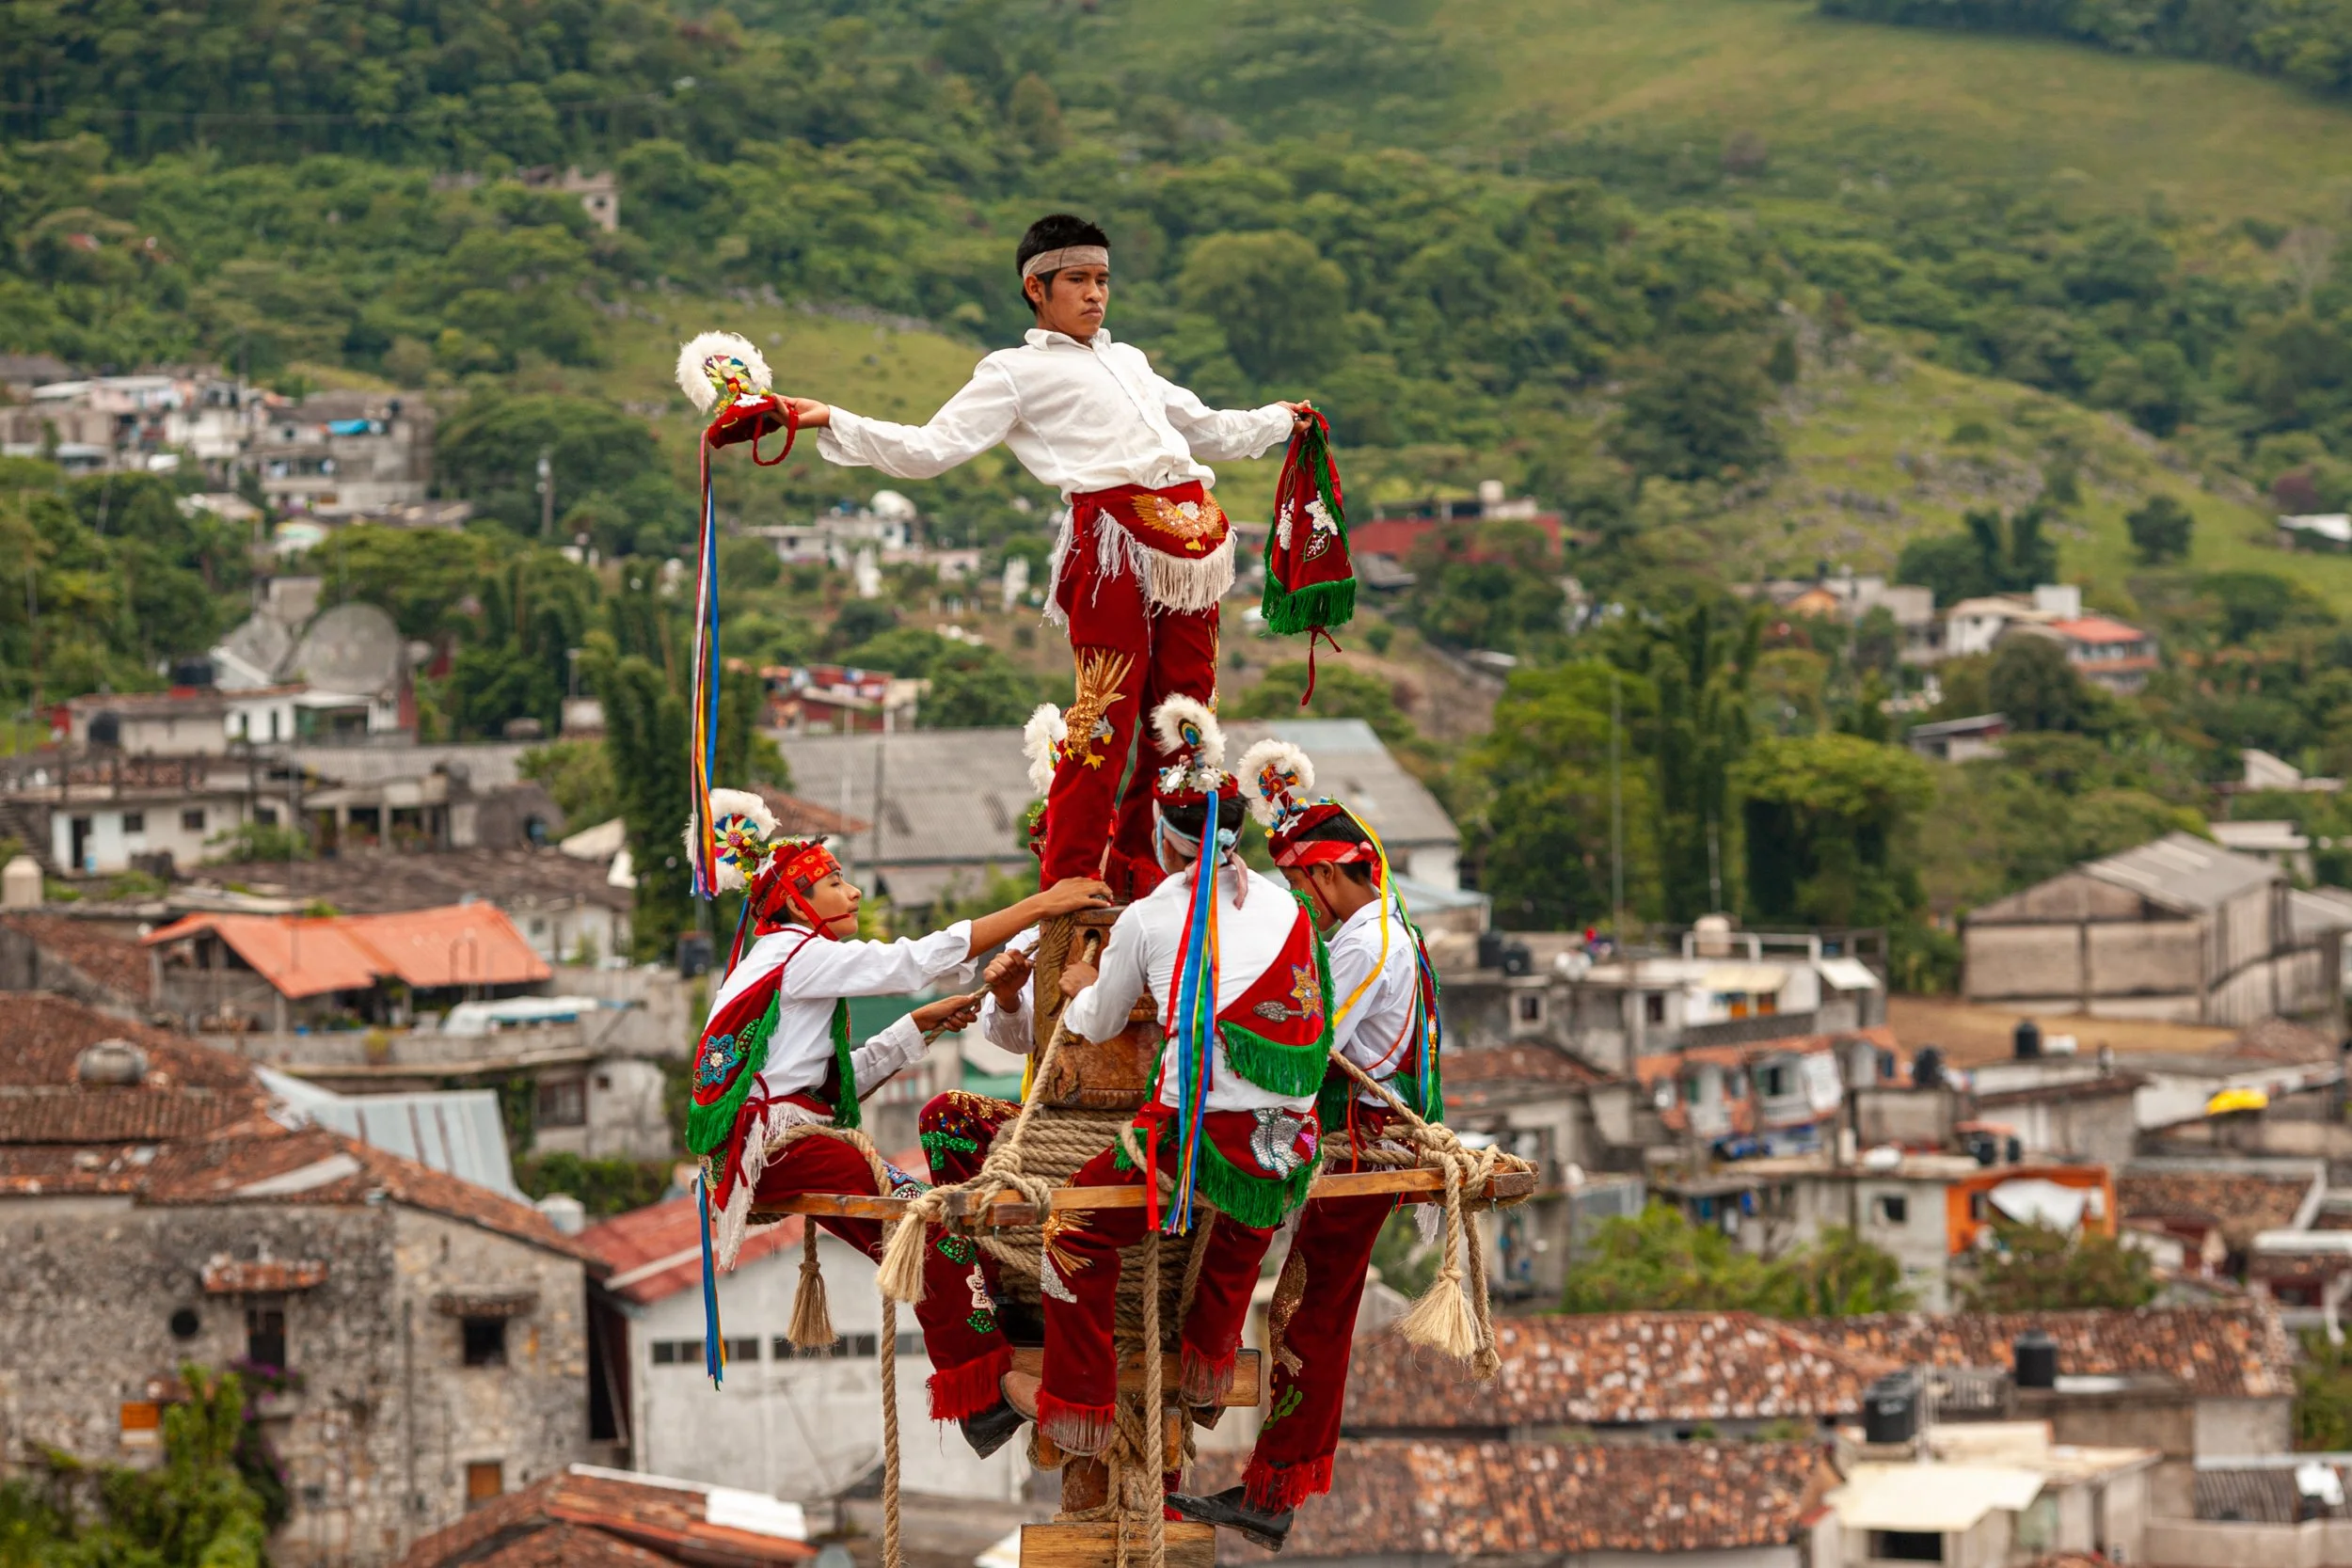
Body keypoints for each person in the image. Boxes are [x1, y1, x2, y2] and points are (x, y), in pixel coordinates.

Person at [774, 214, 1314, 897]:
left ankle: (1162, 869)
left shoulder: (1131, 360)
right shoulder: (1012, 372)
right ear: (1037, 288)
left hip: (1190, 542)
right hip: (1110, 545)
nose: (1096, 294)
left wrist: (1278, 419)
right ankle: (1073, 876)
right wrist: (831, 417)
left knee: (1187, 713)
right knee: (1106, 714)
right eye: (1079, 280)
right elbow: (928, 449)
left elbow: (1207, 427)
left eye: (1103, 280)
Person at [997, 698, 1333, 1462]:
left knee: (1071, 1228)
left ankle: (1079, 1400)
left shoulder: (1149, 915)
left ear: (1163, 834)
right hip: (1289, 1141)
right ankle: (1210, 1367)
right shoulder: (1287, 908)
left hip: (1198, 1134)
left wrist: (1082, 978)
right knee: (1245, 1218)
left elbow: (1094, 1024)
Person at [684, 789, 1109, 1388]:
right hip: (780, 1145)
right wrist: (1042, 905)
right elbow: (914, 960)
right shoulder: (798, 956)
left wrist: (919, 1025)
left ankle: (996, 1345)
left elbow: (829, 1090)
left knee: (927, 1217)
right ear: (796, 903)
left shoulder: (776, 962)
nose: (853, 892)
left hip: (774, 1142)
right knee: (924, 1221)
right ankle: (983, 1379)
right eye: (834, 882)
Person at [1168, 743, 1443, 1548]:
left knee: (1310, 1312)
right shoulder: (1388, 928)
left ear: (1324, 877)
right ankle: (1271, 1482)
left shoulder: (1365, 943)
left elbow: (1313, 1044)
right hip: (1359, 1138)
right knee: (1308, 1309)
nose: (1304, 905)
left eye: (1300, 887)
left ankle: (1272, 1481)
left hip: (1360, 1146)